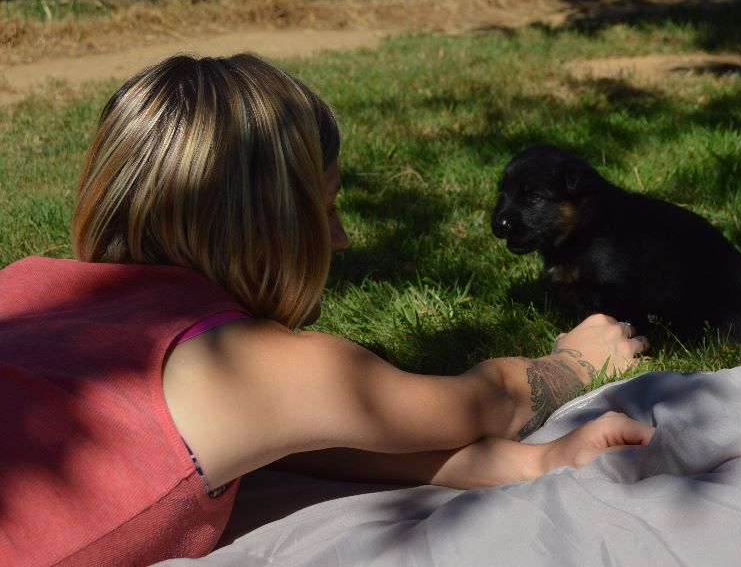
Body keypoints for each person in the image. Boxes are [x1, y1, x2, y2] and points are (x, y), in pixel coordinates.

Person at [0, 54, 653, 566]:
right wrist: (572, 362)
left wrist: (529, 463)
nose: (339, 238)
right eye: (328, 207)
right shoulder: (246, 365)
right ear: (268, 225)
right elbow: (482, 403)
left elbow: (295, 448)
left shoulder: (23, 287)